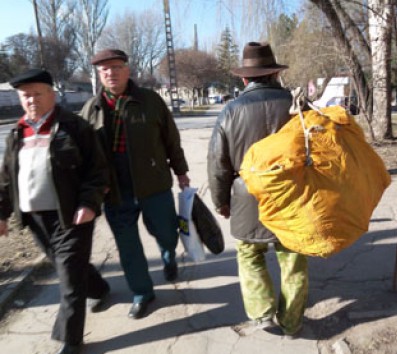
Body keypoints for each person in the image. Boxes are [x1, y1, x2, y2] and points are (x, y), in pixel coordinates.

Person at [0, 69, 110, 354]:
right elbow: (6, 178)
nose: (32, 100)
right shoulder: (17, 132)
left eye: (38, 93)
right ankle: (99, 288)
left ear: (51, 93)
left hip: (71, 216)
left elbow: (97, 172)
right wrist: (1, 214)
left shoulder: (75, 127)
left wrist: (88, 204)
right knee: (72, 269)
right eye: (26, 95)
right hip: (35, 219)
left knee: (69, 279)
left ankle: (71, 340)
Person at [207, 42, 309, 338]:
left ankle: (262, 312)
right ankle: (291, 322)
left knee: (250, 254)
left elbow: (218, 163)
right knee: (292, 259)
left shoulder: (230, 111)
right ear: (275, 74)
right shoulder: (297, 105)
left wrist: (221, 202)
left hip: (247, 196)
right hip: (293, 196)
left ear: (244, 78)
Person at [80, 49, 190, 319]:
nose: (111, 73)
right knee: (128, 247)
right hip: (115, 190)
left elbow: (171, 139)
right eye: (104, 69)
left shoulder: (150, 101)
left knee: (166, 231)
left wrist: (181, 171)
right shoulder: (90, 110)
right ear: (98, 74)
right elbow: (82, 155)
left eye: (116, 67)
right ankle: (143, 293)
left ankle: (168, 254)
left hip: (154, 183)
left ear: (127, 70)